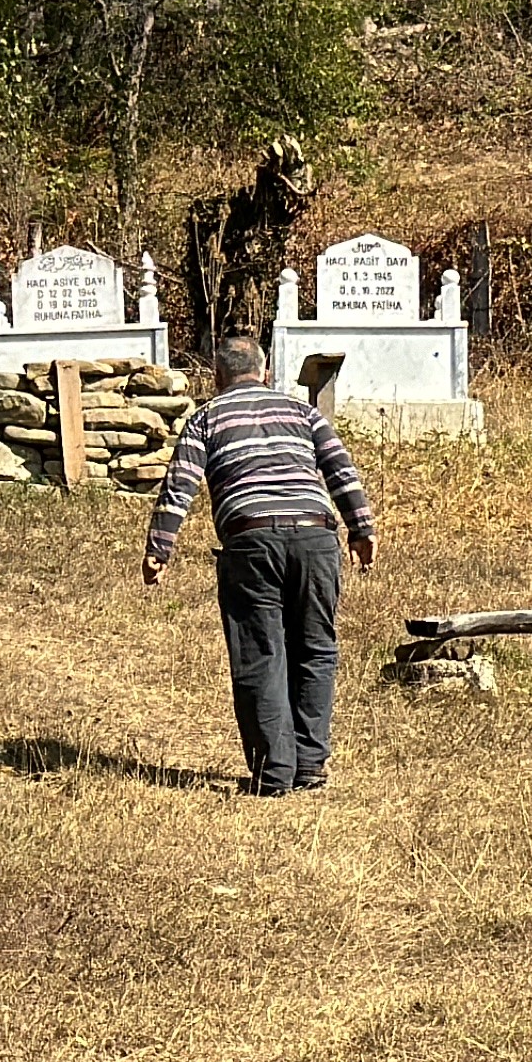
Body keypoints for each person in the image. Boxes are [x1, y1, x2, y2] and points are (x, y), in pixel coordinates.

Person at [143, 339, 380, 794]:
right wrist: (361, 527)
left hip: (250, 540)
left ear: (217, 376)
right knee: (315, 648)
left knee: (259, 653)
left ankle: (274, 773)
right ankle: (310, 765)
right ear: (265, 372)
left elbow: (179, 486)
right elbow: (340, 468)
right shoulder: (304, 414)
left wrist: (160, 547)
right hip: (315, 537)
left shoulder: (206, 418)